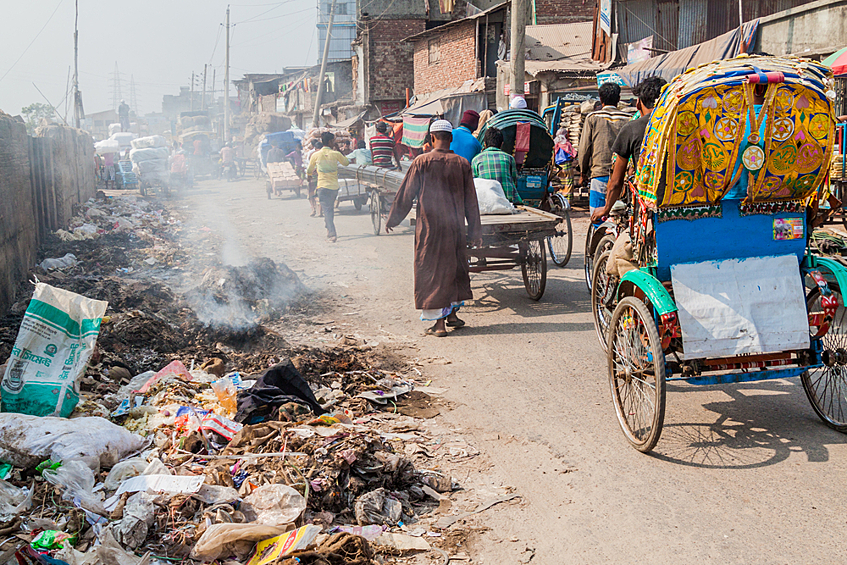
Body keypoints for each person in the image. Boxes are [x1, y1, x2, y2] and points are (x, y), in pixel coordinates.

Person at [385, 120, 482, 337]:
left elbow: (406, 194)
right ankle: (452, 315)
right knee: (455, 268)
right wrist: (475, 231)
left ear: (431, 138)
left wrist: (393, 219)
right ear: (451, 138)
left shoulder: (421, 161)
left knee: (431, 271)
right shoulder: (462, 163)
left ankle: (439, 325)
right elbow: (471, 201)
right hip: (455, 227)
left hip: (429, 228)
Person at [590, 77, 667, 223]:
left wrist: (606, 209)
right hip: (686, 204)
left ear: (638, 103)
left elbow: (616, 181)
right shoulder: (683, 124)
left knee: (622, 245)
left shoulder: (632, 128)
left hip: (650, 211)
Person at [578, 82, 629, 219]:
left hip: (599, 175)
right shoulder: (629, 119)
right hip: (623, 178)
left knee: (597, 217)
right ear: (618, 99)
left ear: (600, 99)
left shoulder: (592, 118)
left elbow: (584, 149)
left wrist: (583, 173)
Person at [306, 132, 349, 242]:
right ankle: (328, 227)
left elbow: (309, 170)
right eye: (333, 141)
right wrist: (338, 150)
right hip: (334, 187)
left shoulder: (315, 155)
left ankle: (331, 233)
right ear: (330, 142)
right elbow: (346, 162)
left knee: (328, 210)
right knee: (329, 209)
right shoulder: (336, 154)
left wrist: (309, 177)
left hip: (322, 186)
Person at [471, 126, 522, 204]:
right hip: (507, 201)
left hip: (485, 201)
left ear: (485, 144)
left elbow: (474, 183)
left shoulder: (476, 159)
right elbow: (514, 181)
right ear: (501, 144)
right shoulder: (509, 158)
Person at [305, 140, 322, 216]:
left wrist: (308, 176)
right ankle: (320, 212)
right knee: (321, 194)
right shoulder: (325, 154)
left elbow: (309, 166)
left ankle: (313, 209)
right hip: (322, 176)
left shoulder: (312, 154)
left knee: (311, 193)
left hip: (314, 176)